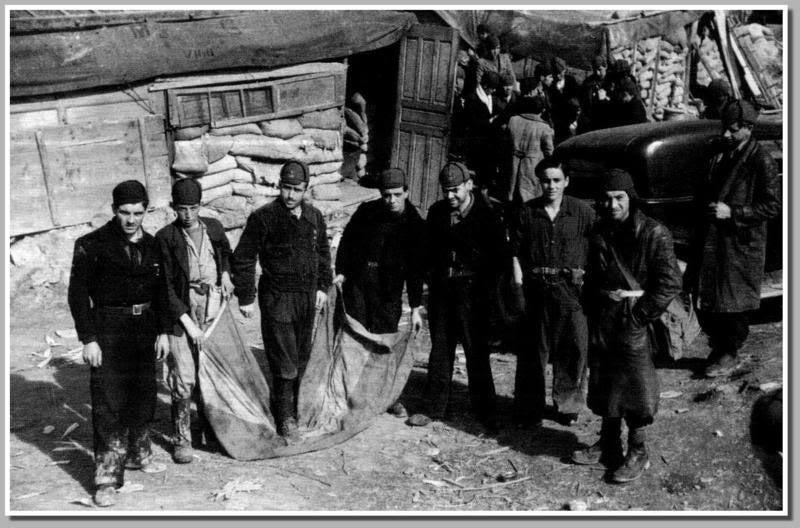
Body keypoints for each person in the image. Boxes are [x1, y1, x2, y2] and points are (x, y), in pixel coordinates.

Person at [571, 168, 682, 483]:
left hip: (634, 317)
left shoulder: (653, 233)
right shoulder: (600, 230)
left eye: (619, 198)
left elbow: (670, 283)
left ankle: (637, 451)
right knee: (605, 381)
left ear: (631, 199)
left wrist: (638, 315)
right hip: (603, 316)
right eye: (606, 199)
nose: (612, 205)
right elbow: (593, 272)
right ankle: (608, 444)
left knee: (636, 385)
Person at [67, 180, 169, 507]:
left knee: (142, 395)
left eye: (137, 213)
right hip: (108, 331)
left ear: (145, 212)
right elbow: (78, 296)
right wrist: (89, 339)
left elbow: (163, 293)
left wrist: (164, 332)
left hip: (144, 330)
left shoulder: (153, 246)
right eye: (124, 212)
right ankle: (107, 478)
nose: (130, 219)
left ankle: (139, 454)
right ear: (114, 211)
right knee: (109, 404)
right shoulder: (91, 245)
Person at [231, 161, 333, 442]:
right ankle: (285, 418)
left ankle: (294, 408)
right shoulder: (264, 217)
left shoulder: (314, 217)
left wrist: (323, 286)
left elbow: (323, 253)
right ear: (279, 187)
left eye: (296, 190)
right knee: (283, 357)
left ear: (306, 189)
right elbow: (243, 257)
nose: (290, 195)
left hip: (307, 296)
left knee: (301, 355)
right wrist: (246, 296)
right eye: (285, 188)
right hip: (277, 296)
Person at [407, 162, 507, 432]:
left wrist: (489, 298)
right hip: (443, 290)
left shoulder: (487, 214)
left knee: (476, 351)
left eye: (455, 190)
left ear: (469, 185)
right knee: (440, 349)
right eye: (445, 191)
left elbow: (499, 260)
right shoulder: (438, 212)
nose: (450, 196)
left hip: (473, 292)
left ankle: (486, 411)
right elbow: (426, 250)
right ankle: (433, 408)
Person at [684, 100, 780, 378]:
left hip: (740, 242)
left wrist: (734, 211)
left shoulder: (760, 160)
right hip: (715, 239)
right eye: (725, 128)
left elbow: (772, 205)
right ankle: (719, 349)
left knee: (733, 302)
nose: (726, 134)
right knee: (710, 296)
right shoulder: (719, 153)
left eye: (733, 130)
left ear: (748, 129)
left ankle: (729, 353)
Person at [334, 167, 426, 417]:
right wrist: (341, 271)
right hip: (359, 284)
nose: (392, 200)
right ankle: (349, 393)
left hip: (388, 291)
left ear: (406, 192)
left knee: (385, 341)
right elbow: (347, 241)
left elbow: (416, 269)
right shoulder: (367, 212)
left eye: (397, 194)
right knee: (356, 338)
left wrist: (416, 307)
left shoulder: (414, 224)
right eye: (387, 195)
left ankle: (386, 397)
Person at [510, 158, 595, 427]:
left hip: (571, 292)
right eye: (546, 180)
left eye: (557, 180)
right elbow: (515, 254)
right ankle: (528, 408)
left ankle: (568, 405)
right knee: (533, 351)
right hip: (537, 290)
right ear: (539, 182)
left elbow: (596, 250)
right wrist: (519, 289)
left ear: (566, 181)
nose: (551, 186)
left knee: (573, 348)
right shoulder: (527, 212)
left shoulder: (582, 212)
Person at [156, 178, 234, 464]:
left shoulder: (213, 227)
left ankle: (209, 426)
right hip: (180, 311)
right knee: (184, 376)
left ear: (201, 205)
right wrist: (187, 323)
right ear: (173, 207)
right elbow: (164, 287)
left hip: (211, 306)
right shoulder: (166, 238)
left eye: (193, 207)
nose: (187, 214)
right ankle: (181, 437)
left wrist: (225, 274)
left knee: (209, 369)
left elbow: (226, 254)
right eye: (181, 208)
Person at [506, 96, 554, 203]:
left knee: (511, 196)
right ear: (542, 110)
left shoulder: (513, 120)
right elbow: (549, 153)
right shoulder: (544, 128)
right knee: (529, 198)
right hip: (532, 167)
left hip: (512, 164)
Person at [463, 71, 502, 194]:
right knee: (478, 174)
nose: (493, 91)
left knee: (486, 176)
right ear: (485, 86)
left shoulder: (491, 99)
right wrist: (489, 121)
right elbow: (470, 122)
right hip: (477, 143)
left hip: (489, 144)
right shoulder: (472, 98)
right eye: (492, 88)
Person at [548, 57, 580, 143]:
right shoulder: (551, 85)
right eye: (556, 73)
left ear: (564, 71)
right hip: (558, 121)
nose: (558, 76)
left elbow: (577, 100)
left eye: (560, 73)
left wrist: (575, 119)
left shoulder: (571, 81)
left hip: (572, 120)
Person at [579, 54, 612, 132]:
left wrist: (606, 98)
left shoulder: (610, 81)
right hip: (592, 118)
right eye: (595, 70)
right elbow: (583, 100)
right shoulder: (588, 82)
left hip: (607, 117)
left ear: (605, 67)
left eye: (600, 69)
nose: (597, 73)